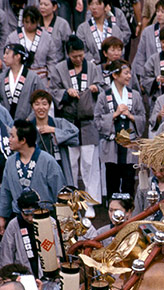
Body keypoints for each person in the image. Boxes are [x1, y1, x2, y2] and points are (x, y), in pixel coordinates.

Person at [50, 35, 103, 213]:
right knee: (71, 164)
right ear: (68, 54)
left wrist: (96, 87)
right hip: (69, 122)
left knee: (89, 164)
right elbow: (54, 90)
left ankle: (90, 203)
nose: (79, 59)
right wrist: (66, 92)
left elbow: (102, 86)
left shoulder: (92, 67)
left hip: (88, 122)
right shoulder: (59, 68)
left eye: (81, 55)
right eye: (75, 56)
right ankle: (72, 202)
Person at [0, 119, 66, 234]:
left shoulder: (48, 161)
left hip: (44, 218)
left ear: (23, 140)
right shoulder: (10, 162)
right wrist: (2, 217)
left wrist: (64, 223)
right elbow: (5, 193)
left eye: (12, 136)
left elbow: (60, 193)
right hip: (19, 219)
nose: (9, 140)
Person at [94, 59, 145, 196]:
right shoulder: (103, 96)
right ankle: (113, 211)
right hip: (111, 145)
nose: (129, 76)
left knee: (129, 182)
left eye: (130, 73)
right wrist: (114, 114)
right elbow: (97, 120)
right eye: (126, 73)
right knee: (112, 182)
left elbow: (142, 117)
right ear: (115, 75)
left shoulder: (135, 95)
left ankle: (129, 212)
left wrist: (131, 116)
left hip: (130, 146)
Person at [29, 89, 79, 186]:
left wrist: (54, 130)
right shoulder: (28, 127)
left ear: (49, 106)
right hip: (36, 169)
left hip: (59, 165)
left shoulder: (59, 123)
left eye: (44, 104)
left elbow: (75, 136)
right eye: (37, 104)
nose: (41, 108)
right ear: (32, 106)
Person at [5, 6, 56, 82]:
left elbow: (51, 60)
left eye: (32, 22)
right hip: (19, 76)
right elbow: (7, 59)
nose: (29, 25)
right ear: (22, 21)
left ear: (38, 21)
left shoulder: (46, 38)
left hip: (41, 77)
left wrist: (50, 79)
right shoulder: (13, 37)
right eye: (26, 22)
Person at [0, 43, 44, 121]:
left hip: (27, 125)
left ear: (18, 56)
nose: (4, 56)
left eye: (7, 53)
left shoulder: (33, 78)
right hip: (5, 123)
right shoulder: (2, 77)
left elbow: (42, 100)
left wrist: (29, 119)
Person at [76, 0, 124, 65]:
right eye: (91, 4)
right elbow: (80, 50)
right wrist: (93, 63)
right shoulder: (82, 28)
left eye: (98, 4)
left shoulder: (115, 29)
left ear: (105, 6)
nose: (94, 7)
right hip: (91, 68)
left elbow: (121, 50)